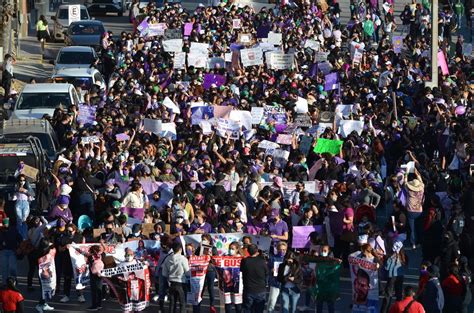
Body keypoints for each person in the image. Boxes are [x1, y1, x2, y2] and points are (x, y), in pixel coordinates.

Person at [162, 241, 189, 313]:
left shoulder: (167, 259)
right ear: (180, 249)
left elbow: (164, 273)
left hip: (171, 283)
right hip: (181, 283)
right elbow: (187, 272)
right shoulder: (183, 259)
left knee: (172, 304)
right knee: (182, 304)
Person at [240, 244, 268, 313]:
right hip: (260, 289)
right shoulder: (262, 261)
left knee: (247, 309)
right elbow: (266, 273)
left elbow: (241, 270)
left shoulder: (245, 261)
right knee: (259, 310)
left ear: (248, 251)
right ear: (257, 251)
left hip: (248, 289)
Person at [381, 241, 408, 313]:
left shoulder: (390, 257)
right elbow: (406, 266)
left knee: (388, 295)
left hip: (391, 277)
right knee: (399, 295)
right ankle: (398, 310)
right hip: (400, 276)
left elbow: (386, 268)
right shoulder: (404, 256)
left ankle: (384, 311)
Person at [0, 218, 22, 285]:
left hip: (12, 251)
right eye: (4, 224)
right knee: (4, 268)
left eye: (6, 223)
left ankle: (14, 280)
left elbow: (20, 239)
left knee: (12, 268)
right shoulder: (0, 231)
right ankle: (4, 283)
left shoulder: (14, 230)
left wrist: (20, 248)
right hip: (3, 251)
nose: (5, 225)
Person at [267, 242, 287, 313]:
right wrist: (271, 270)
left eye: (284, 250)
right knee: (272, 300)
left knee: (284, 304)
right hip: (275, 282)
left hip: (285, 284)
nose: (282, 251)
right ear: (277, 249)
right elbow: (267, 269)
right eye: (280, 249)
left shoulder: (287, 259)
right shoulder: (272, 258)